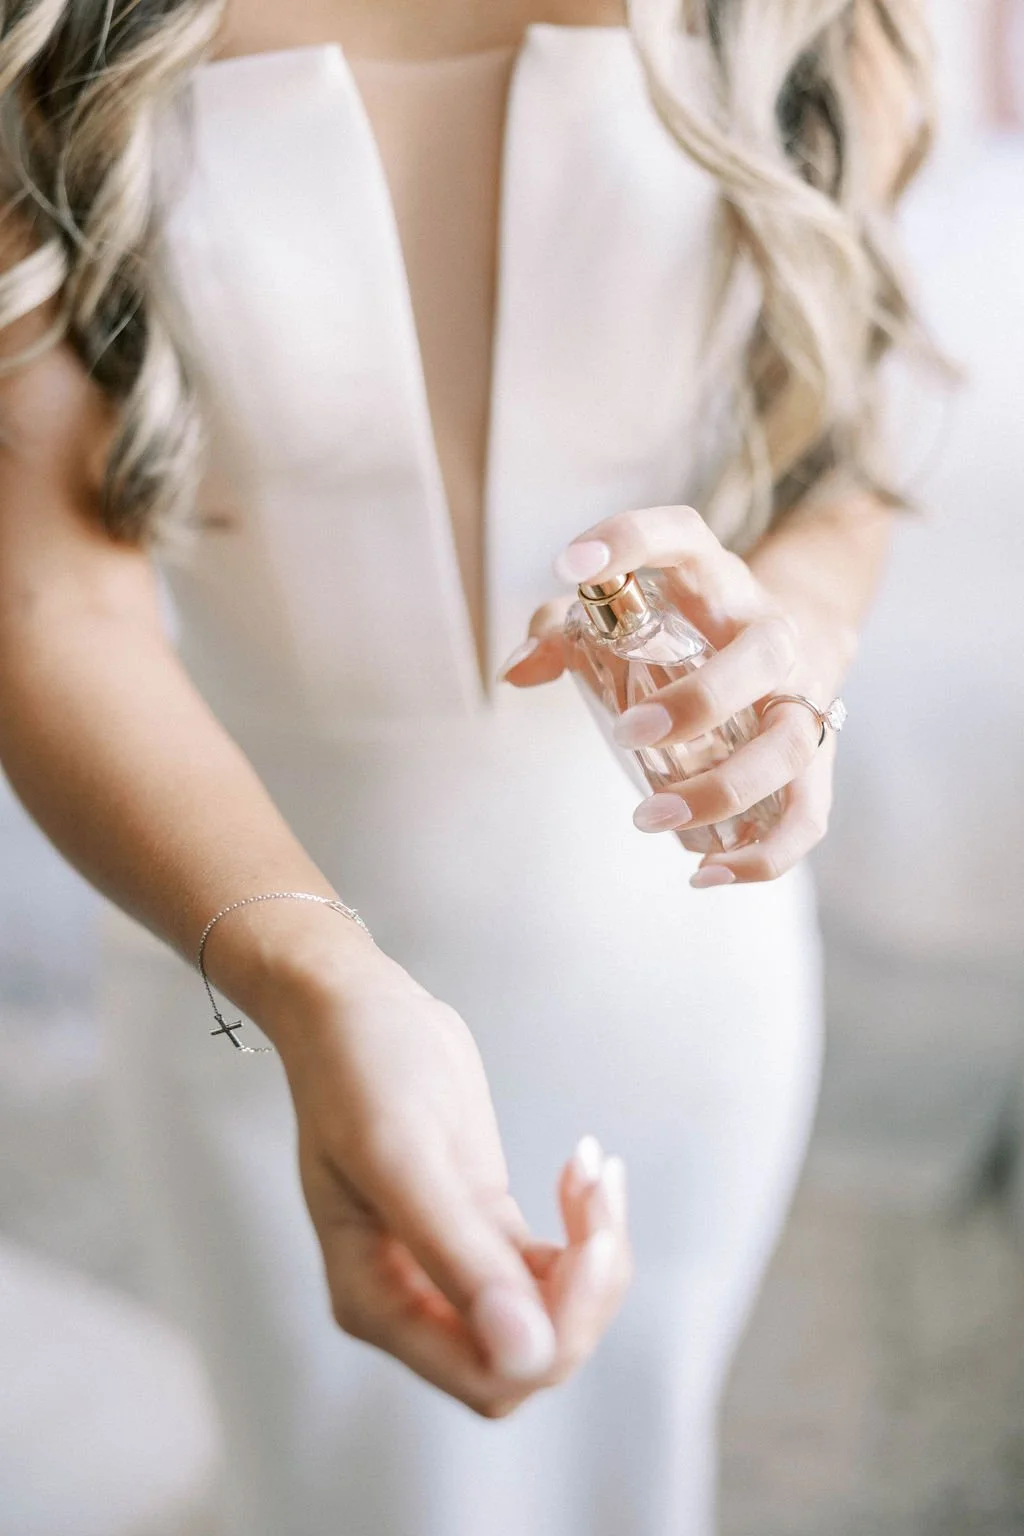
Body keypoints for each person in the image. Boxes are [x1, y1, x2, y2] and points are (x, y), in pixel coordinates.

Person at [0, 1, 933, 1532]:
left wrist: (801, 642)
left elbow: (848, 443)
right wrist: (317, 987)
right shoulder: (62, 31)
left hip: (671, 957)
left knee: (632, 1475)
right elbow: (50, 604)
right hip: (245, 953)